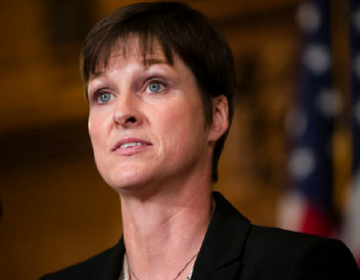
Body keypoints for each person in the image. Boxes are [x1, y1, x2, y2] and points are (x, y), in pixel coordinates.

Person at [40, 2, 360, 280]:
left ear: (216, 116)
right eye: (103, 94)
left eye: (154, 85)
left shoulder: (300, 268)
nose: (122, 113)